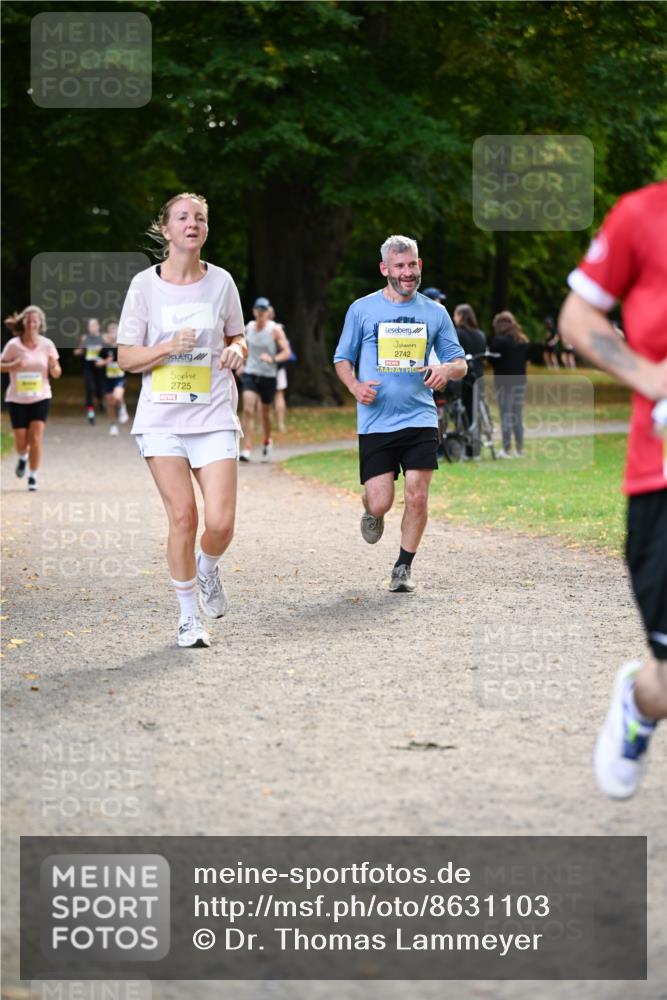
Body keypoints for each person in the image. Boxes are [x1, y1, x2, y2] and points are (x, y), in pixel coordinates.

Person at [559, 179, 667, 799]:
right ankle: (641, 699)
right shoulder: (643, 215)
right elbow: (578, 315)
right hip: (662, 477)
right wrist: (645, 374)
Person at [117, 192, 247, 649]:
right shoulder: (144, 286)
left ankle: (208, 568)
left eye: (200, 218)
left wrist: (237, 349)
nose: (192, 223)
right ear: (166, 228)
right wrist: (167, 347)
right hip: (162, 420)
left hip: (212, 414)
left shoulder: (222, 282)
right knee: (183, 516)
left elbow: (237, 333)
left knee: (223, 521)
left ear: (206, 230)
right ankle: (189, 618)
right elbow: (127, 357)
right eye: (183, 217)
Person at [333, 234, 466, 593]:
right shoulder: (362, 309)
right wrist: (355, 387)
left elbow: (459, 362)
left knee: (418, 493)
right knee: (381, 500)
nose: (407, 273)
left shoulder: (435, 313)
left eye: (412, 265)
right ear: (384, 269)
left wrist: (446, 371)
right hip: (376, 419)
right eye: (399, 266)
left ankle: (403, 567)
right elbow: (342, 358)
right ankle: (371, 510)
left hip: (420, 416)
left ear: (419, 265)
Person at [0, 305, 61, 491]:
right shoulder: (13, 345)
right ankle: (23, 457)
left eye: (35, 320)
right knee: (21, 442)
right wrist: (13, 365)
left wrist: (52, 366)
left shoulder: (47, 345)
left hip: (41, 397)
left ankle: (33, 475)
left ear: (40, 323)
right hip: (17, 399)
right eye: (29, 320)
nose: (32, 323)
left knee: (35, 438)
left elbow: (57, 373)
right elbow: (1, 365)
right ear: (23, 322)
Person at [239, 297, 291, 462]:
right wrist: (240, 363)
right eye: (258, 310)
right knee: (247, 409)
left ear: (268, 312)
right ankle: (246, 447)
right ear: (254, 311)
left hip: (268, 375)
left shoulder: (275, 330)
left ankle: (267, 441)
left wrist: (273, 359)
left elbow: (287, 352)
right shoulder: (248, 328)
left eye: (264, 311)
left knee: (265, 413)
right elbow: (241, 346)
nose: (261, 314)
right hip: (251, 373)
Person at [489, 310, 530, 459]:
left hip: (503, 382)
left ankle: (506, 449)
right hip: (520, 381)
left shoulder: (499, 341)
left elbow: (492, 360)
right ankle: (519, 449)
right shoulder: (522, 340)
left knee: (505, 414)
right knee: (517, 415)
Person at [453, 303, 488, 459]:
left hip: (464, 379)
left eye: (455, 314)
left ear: (461, 315)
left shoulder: (459, 334)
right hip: (479, 377)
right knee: (475, 413)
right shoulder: (480, 334)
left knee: (463, 413)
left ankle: (466, 448)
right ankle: (475, 449)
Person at [96, 321, 128, 436]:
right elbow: (97, 363)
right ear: (108, 334)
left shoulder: (123, 347)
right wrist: (105, 361)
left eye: (116, 332)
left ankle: (122, 408)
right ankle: (113, 425)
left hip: (119, 378)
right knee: (110, 402)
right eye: (112, 332)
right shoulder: (104, 348)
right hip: (107, 379)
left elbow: (130, 361)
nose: (114, 335)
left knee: (117, 396)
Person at [74, 317, 106, 424]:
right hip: (88, 368)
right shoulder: (84, 338)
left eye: (94, 325)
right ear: (88, 328)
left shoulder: (103, 338)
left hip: (100, 367)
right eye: (90, 326)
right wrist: (79, 351)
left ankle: (100, 400)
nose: (92, 327)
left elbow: (111, 351)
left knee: (100, 390)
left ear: (98, 326)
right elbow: (78, 350)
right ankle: (90, 413)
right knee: (89, 389)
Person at [268, 306, 292, 434]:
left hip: (264, 367)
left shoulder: (259, 329)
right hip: (278, 366)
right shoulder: (279, 328)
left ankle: (265, 425)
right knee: (279, 394)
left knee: (264, 398)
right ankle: (281, 425)